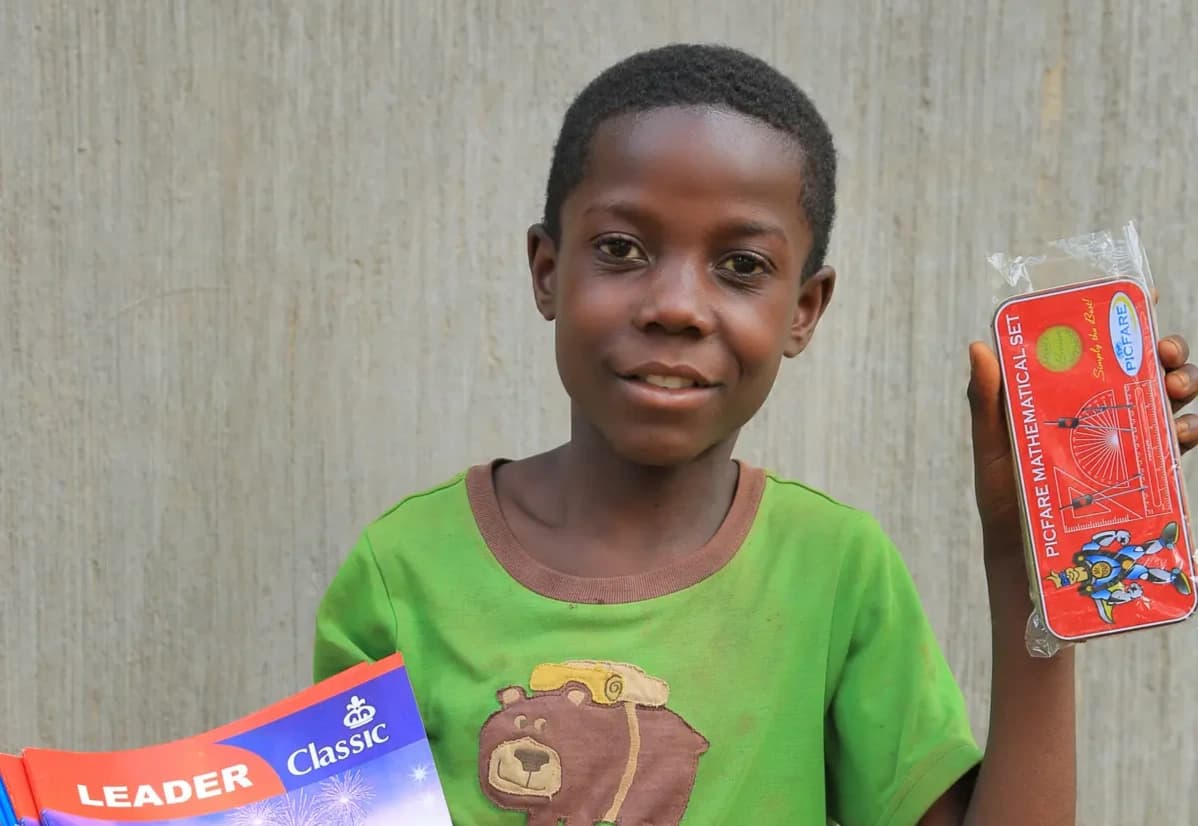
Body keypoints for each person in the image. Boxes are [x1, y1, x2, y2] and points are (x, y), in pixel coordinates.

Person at [312, 43, 1198, 825]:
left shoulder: (835, 570)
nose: (675, 307)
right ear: (548, 271)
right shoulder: (404, 574)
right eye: (622, 248)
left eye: (742, 266)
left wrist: (1028, 568)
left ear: (803, 311)